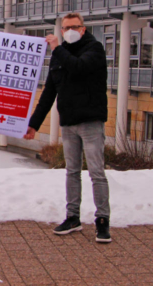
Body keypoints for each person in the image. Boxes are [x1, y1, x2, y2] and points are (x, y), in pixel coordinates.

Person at [24, 12, 110, 243]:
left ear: (83, 29)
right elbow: (49, 94)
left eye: (74, 27)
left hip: (91, 121)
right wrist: (33, 124)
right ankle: (72, 217)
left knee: (96, 172)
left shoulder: (95, 49)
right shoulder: (58, 56)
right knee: (72, 171)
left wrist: (56, 49)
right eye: (65, 28)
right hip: (69, 123)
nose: (69, 31)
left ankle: (102, 221)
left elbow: (79, 67)